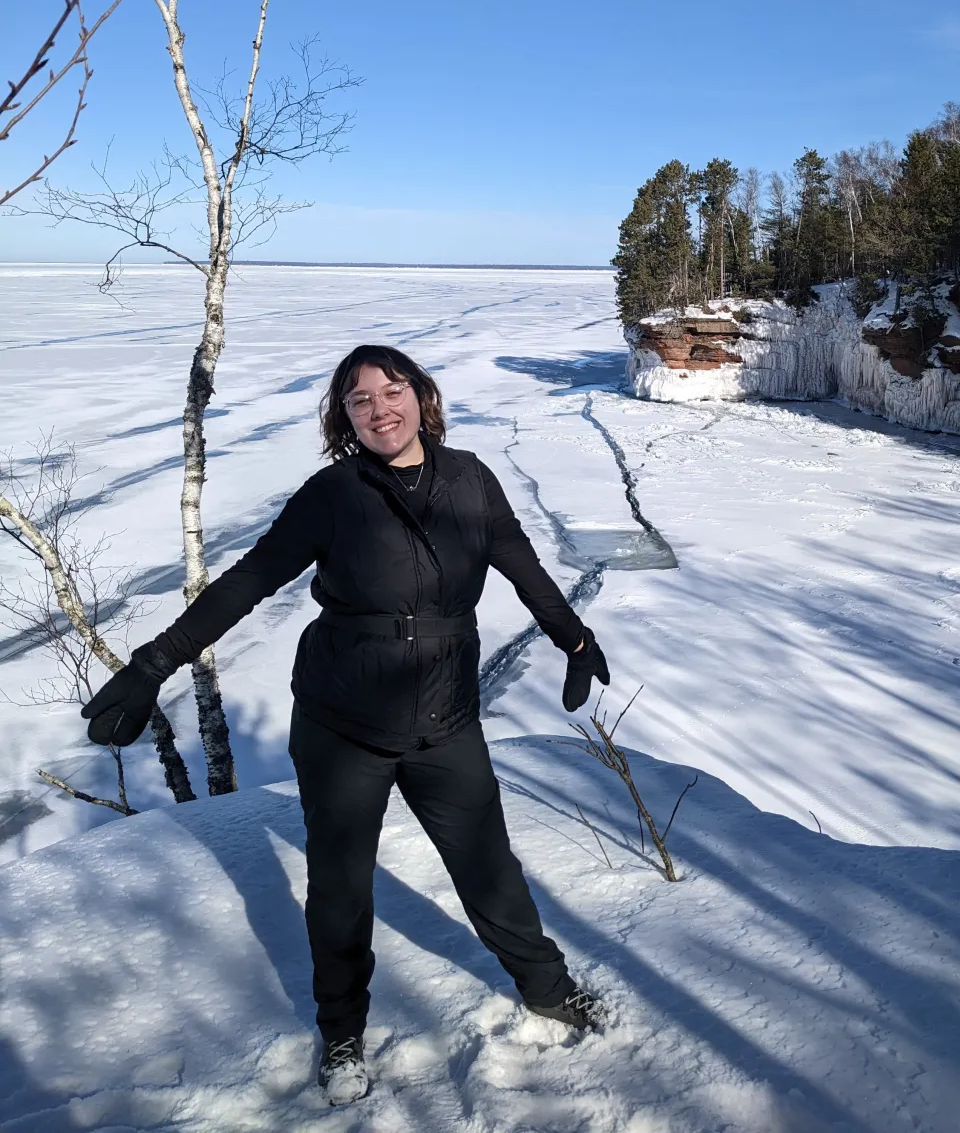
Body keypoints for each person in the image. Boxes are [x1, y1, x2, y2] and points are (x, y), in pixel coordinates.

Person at [80, 344, 611, 1108]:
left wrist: (574, 635)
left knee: (490, 870)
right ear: (344, 418)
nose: (379, 408)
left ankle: (549, 990)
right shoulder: (333, 493)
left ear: (422, 397)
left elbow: (518, 560)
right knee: (339, 889)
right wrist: (152, 663)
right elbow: (250, 579)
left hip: (445, 716)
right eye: (359, 400)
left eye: (391, 390)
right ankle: (342, 1032)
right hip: (343, 723)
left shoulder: (470, 480)